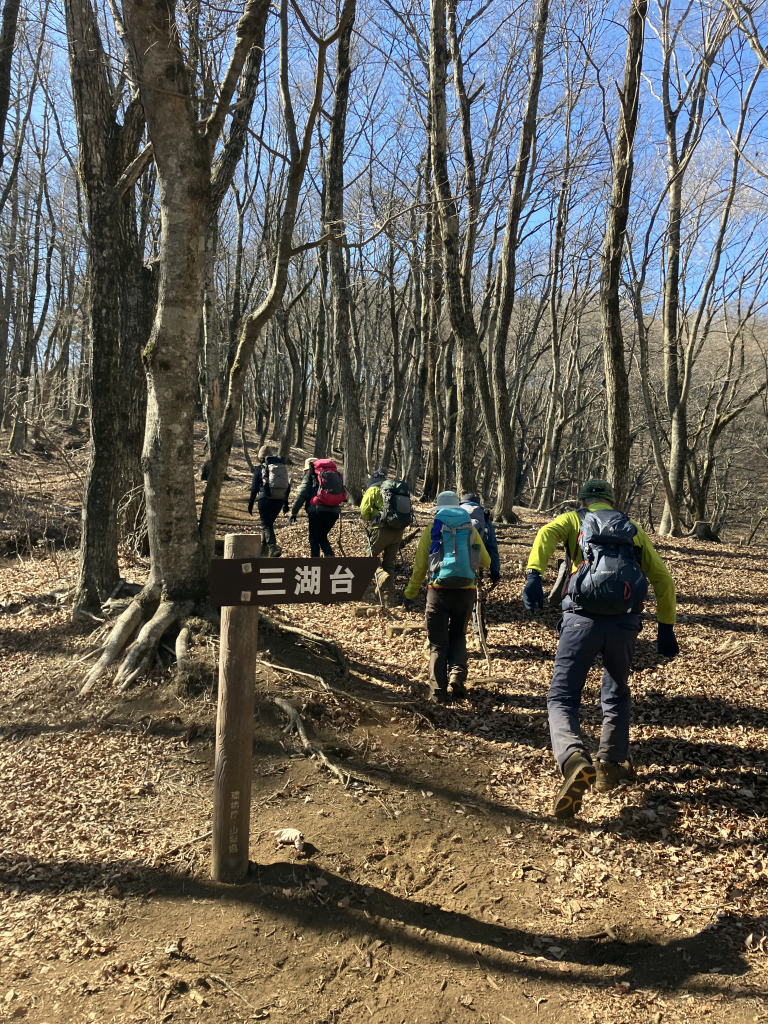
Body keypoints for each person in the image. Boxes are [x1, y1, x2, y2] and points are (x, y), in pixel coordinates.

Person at [523, 478, 679, 819]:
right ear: (612, 501)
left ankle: (573, 758)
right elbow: (663, 579)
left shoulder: (572, 520)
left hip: (580, 621)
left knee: (562, 697)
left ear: (583, 501)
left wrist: (534, 574)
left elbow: (546, 534)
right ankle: (609, 766)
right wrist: (665, 627)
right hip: (624, 624)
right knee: (616, 693)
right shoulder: (631, 529)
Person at [403, 490, 490, 703]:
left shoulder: (432, 529)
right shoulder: (470, 529)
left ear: (439, 509)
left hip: (438, 591)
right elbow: (485, 560)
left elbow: (420, 567)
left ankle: (438, 693)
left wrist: (410, 594)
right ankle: (457, 675)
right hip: (466, 592)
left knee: (438, 643)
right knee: (458, 635)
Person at [361, 470, 413, 607]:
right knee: (389, 563)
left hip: (381, 529)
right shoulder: (394, 492)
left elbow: (364, 512)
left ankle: (380, 574)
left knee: (369, 557)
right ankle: (388, 599)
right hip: (398, 530)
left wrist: (370, 518)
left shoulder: (373, 490)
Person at [460, 492, 501, 634]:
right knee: (475, 597)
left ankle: (454, 632)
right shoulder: (483, 517)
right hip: (475, 561)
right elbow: (492, 547)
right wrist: (495, 572)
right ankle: (479, 631)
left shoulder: (454, 514)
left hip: (452, 560)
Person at [288, 457, 345, 557]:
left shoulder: (310, 476)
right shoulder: (332, 475)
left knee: (314, 539)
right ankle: (331, 560)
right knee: (322, 537)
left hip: (317, 510)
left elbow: (302, 494)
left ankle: (315, 563)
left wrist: (294, 512)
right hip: (334, 511)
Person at [247, 445, 290, 557]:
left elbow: (254, 488)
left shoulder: (259, 469)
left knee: (266, 525)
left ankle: (272, 547)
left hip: (265, 499)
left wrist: (251, 503)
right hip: (279, 500)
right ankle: (263, 549)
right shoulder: (280, 468)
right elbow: (287, 486)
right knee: (268, 524)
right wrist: (285, 503)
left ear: (259, 458)